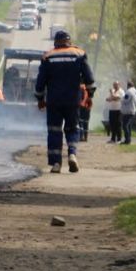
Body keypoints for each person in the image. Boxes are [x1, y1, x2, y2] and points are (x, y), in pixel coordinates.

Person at [33, 30, 95, 174]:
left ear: (55, 42)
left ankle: (56, 163)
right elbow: (89, 78)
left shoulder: (48, 56)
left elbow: (40, 82)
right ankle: (72, 154)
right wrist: (90, 95)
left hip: (54, 100)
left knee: (54, 130)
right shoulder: (79, 54)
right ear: (69, 41)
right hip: (73, 99)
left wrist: (40, 99)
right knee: (72, 128)